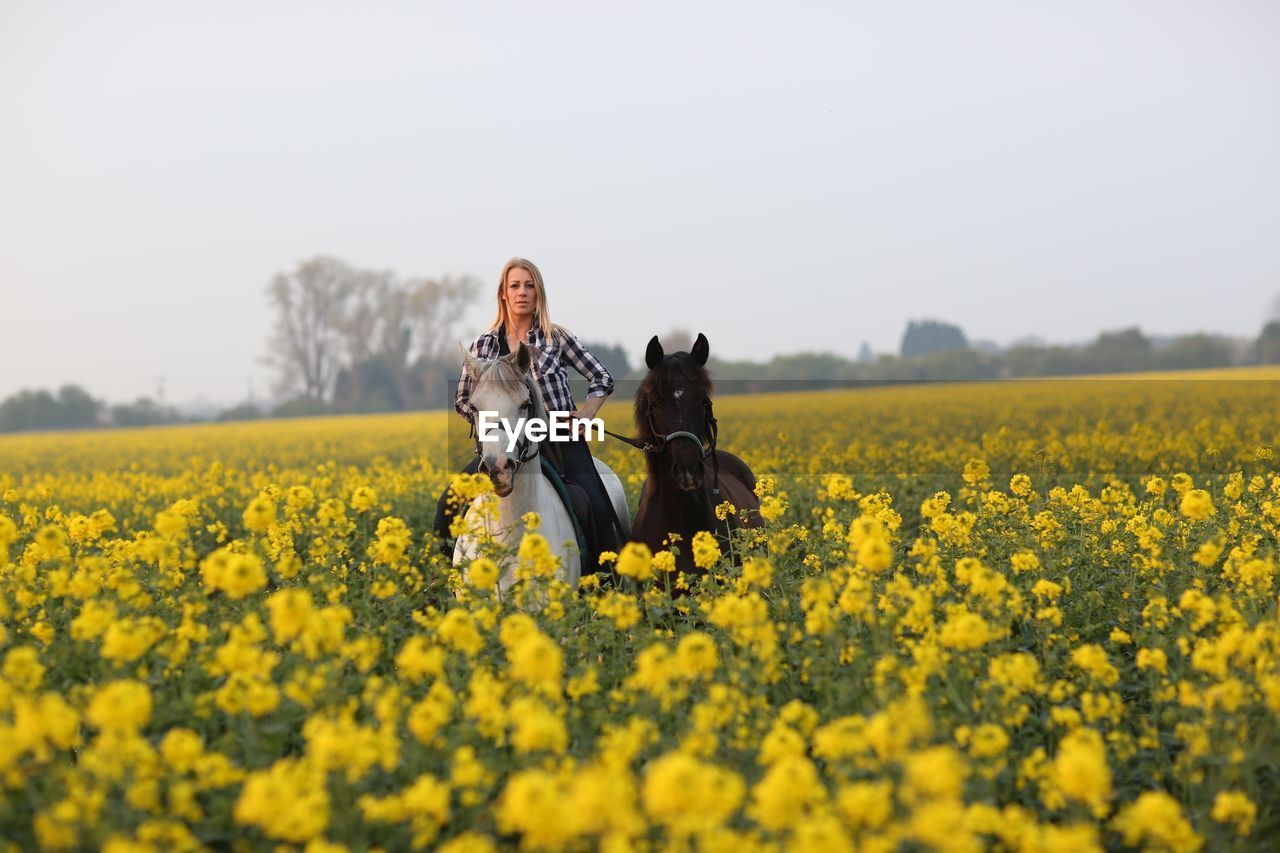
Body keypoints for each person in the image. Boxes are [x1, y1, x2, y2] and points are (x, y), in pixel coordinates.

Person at [434, 257, 623, 569]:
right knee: (448, 503)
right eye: (514, 285)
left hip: (559, 440)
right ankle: (441, 579)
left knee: (598, 507)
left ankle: (606, 584)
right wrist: (493, 429)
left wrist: (585, 417)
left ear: (539, 294)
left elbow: (602, 377)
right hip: (502, 442)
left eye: (529, 285)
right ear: (503, 294)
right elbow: (463, 400)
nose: (522, 292)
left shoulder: (556, 338)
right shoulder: (482, 346)